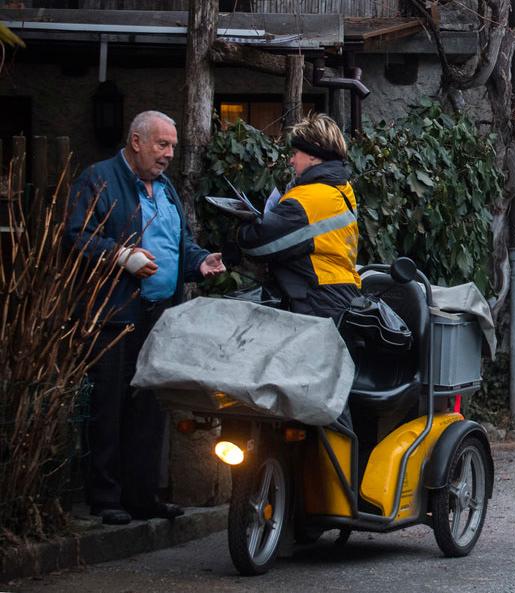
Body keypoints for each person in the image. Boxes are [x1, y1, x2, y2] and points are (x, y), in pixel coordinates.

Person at [65, 110, 226, 525]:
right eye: (162, 144)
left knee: (149, 410)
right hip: (115, 315)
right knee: (110, 405)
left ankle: (142, 495)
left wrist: (198, 261)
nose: (169, 154)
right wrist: (122, 257)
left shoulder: (165, 187)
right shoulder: (99, 179)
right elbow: (76, 235)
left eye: (172, 146)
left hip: (158, 316)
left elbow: (178, 241)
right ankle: (106, 497)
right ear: (136, 141)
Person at [237, 113, 361, 322]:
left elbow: (256, 242)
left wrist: (242, 223)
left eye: (296, 153)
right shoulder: (341, 188)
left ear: (313, 153)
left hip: (316, 304)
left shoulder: (311, 199)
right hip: (338, 298)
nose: (291, 160)